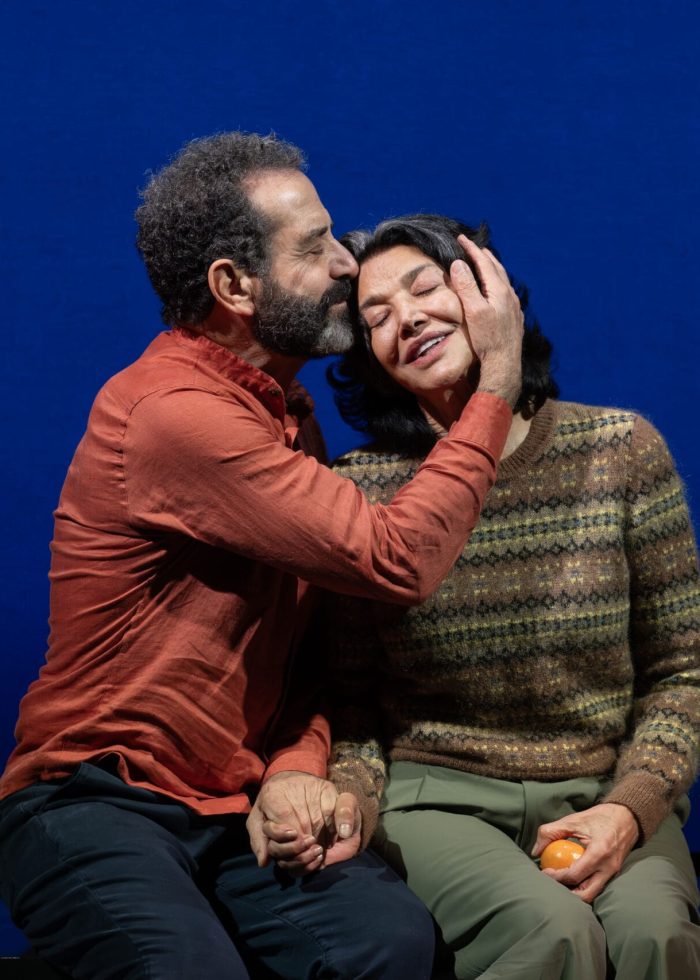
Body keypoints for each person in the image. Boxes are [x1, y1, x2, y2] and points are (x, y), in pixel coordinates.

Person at [0, 138, 525, 979]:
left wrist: (294, 768)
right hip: (93, 798)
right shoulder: (174, 417)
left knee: (388, 946)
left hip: (234, 805)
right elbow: (397, 558)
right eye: (315, 246)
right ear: (233, 288)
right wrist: (496, 382)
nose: (348, 264)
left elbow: (300, 657)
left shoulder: (287, 418)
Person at [273, 213, 700, 979]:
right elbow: (352, 700)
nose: (407, 319)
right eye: (376, 317)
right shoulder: (359, 490)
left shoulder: (620, 451)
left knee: (652, 934)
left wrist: (631, 806)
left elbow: (684, 673)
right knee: (549, 934)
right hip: (438, 798)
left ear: (491, 292)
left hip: (603, 781)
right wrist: (354, 803)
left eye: (425, 288)